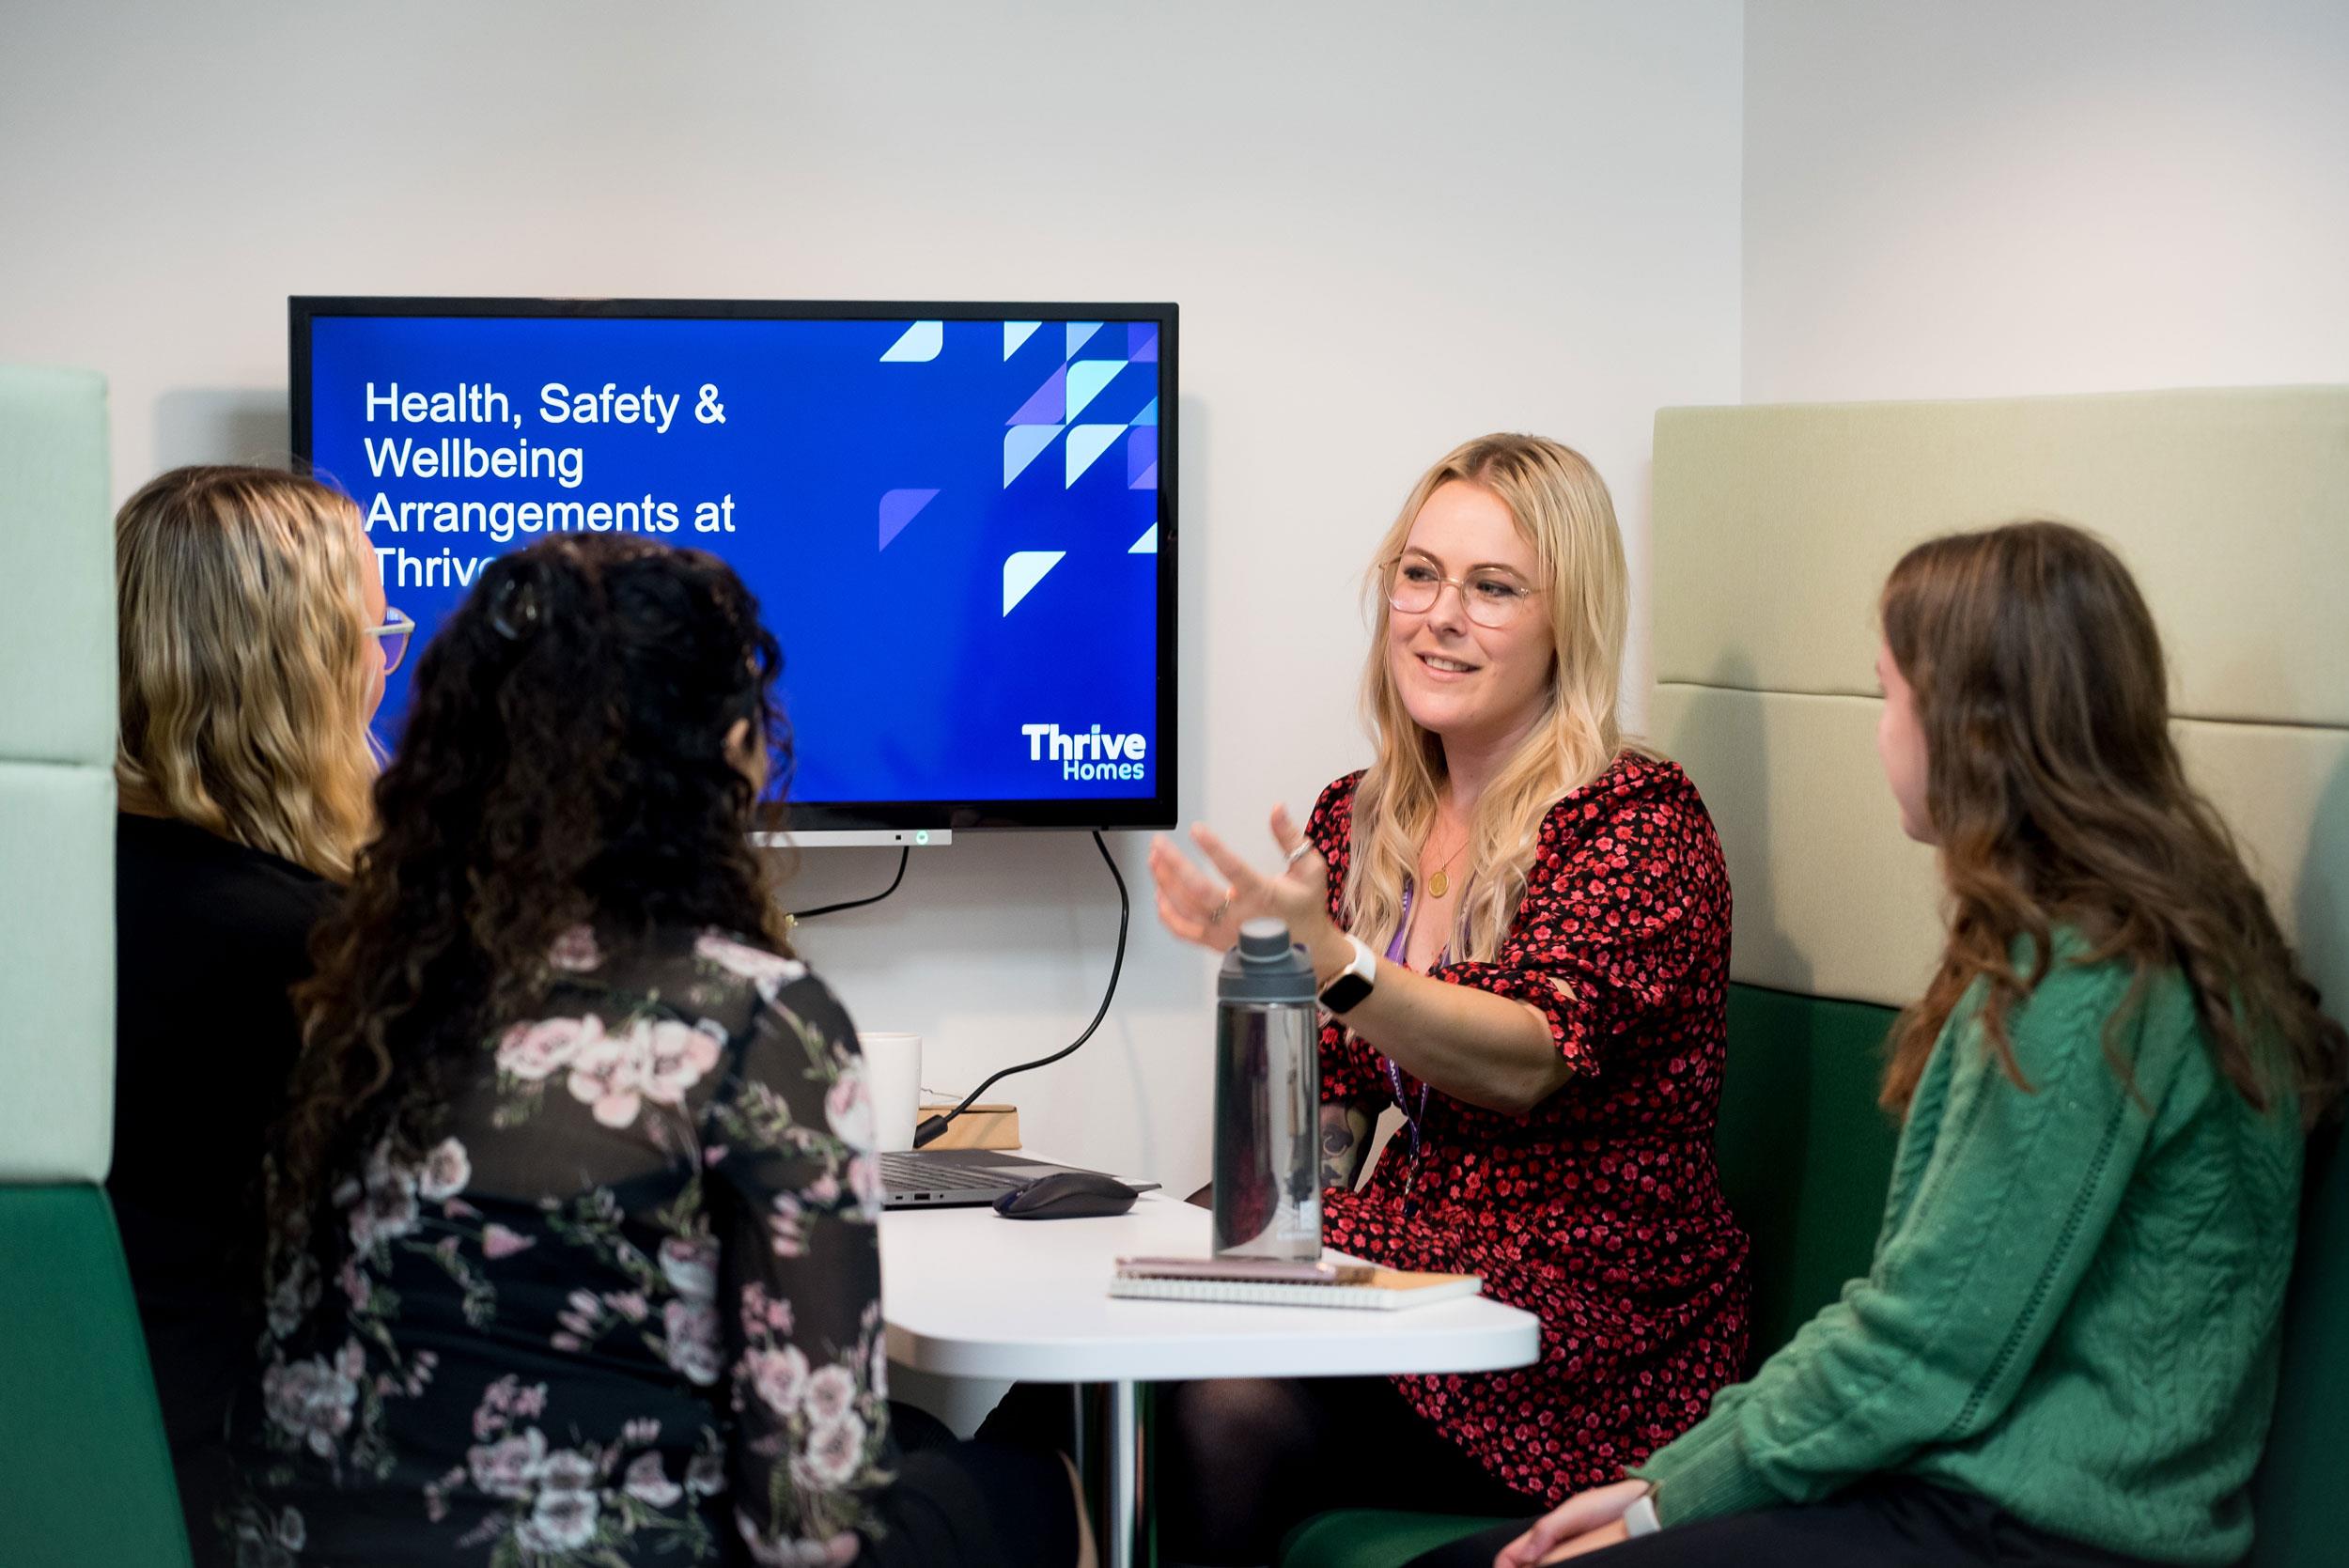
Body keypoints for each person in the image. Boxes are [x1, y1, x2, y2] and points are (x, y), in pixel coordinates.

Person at [1417, 520, 2348, 1568]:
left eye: (1888, 694)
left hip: (2036, 1531)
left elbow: (1927, 1345)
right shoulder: (2106, 940)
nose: (1879, 733)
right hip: (1954, 1492)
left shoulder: (2096, 981)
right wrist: (1664, 1479)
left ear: (1968, 724)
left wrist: (1659, 1499)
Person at [226, 536, 1091, 1568]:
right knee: (1032, 1483)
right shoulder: (755, 1019)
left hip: (308, 1551)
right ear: (725, 756)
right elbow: (809, 1522)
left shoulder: (366, 987)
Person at [1145, 434, 1750, 1563]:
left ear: (1566, 620)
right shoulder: (1357, 818)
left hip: (1578, 1341)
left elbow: (1524, 1057)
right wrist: (1262, 1221)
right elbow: (1322, 1109)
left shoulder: (1636, 821)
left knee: (1220, 1404)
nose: (1440, 615)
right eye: (1418, 576)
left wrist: (1336, 963)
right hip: (1419, 1279)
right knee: (1110, 1345)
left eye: (1493, 587)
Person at [109, 466, 395, 1542]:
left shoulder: (54, 897)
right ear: (306, 671)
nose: (382, 666)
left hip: (92, 1453)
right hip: (258, 1481)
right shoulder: (320, 949)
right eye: (374, 633)